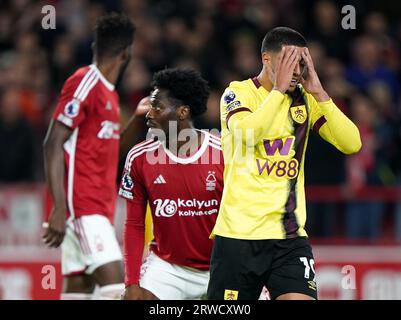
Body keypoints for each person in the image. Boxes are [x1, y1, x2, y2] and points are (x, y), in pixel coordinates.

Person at [207, 27, 362, 300]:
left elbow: (352, 143)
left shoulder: (305, 99)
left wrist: (320, 93)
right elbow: (247, 133)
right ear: (266, 59)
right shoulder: (237, 93)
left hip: (289, 239)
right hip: (239, 236)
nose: (296, 71)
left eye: (301, 63)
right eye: (289, 62)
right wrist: (277, 91)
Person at [42, 13, 135, 300]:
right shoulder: (85, 81)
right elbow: (52, 142)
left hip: (98, 208)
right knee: (116, 286)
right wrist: (59, 208)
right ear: (126, 54)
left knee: (79, 288)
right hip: (82, 207)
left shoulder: (110, 95)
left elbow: (110, 148)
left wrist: (139, 118)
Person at [119, 68, 224, 300]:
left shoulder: (223, 153)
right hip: (169, 268)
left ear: (183, 112)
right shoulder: (139, 157)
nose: (148, 114)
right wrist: (131, 283)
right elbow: (135, 224)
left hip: (222, 266)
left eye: (157, 107)